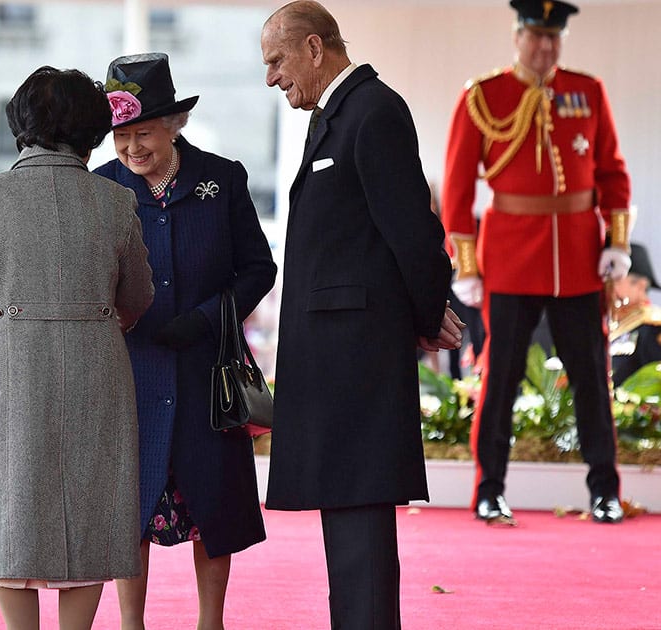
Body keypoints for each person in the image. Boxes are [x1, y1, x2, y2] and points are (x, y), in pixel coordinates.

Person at [260, 3, 463, 627]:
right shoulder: (338, 115)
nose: (271, 79)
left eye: (277, 61)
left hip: (358, 362)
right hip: (338, 361)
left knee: (361, 535)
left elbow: (414, 232)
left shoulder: (374, 111)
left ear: (315, 49)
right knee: (347, 531)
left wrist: (429, 316)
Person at [0, 65, 154, 630]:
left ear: (21, 123)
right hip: (97, 370)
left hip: (11, 373)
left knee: (11, 512)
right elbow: (138, 294)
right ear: (93, 129)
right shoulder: (115, 201)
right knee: (91, 512)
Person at [94, 53, 277, 630]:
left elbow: (257, 269)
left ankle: (211, 621)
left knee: (212, 500)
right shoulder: (102, 186)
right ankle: (131, 623)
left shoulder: (222, 180)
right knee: (131, 501)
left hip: (207, 365)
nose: (131, 149)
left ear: (175, 124)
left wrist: (207, 319)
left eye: (142, 133)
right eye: (121, 136)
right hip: (132, 368)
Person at [441, 0, 631, 524]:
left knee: (592, 378)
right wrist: (468, 264)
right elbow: (457, 187)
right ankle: (489, 489)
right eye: (535, 36)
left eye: (553, 38)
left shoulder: (587, 92)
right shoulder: (484, 96)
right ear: (517, 34)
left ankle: (604, 490)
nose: (545, 47)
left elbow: (612, 170)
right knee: (499, 379)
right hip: (510, 260)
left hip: (577, 260)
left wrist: (615, 240)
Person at [609, 243, 661, 386]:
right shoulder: (612, 326)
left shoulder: (652, 328)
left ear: (640, 285)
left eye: (615, 280)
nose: (607, 286)